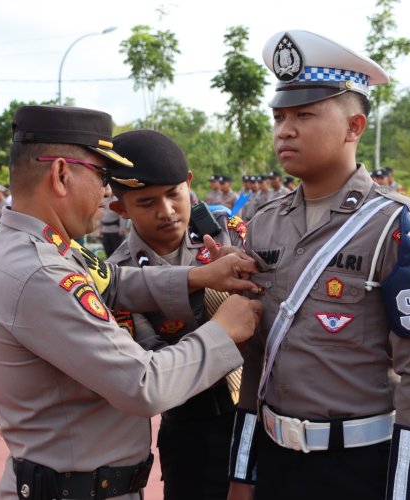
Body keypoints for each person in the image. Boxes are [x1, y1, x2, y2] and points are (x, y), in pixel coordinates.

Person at [0, 105, 263, 500]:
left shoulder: (35, 247)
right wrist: (223, 331)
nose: (107, 190)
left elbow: (114, 283)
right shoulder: (40, 269)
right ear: (61, 174)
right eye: (101, 175)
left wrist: (199, 276)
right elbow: (143, 384)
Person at [228, 30, 410, 500]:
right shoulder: (262, 223)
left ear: (355, 127)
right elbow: (256, 359)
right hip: (274, 460)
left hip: (355, 470)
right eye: (279, 116)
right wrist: (243, 473)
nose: (284, 130)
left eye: (305, 114)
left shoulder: (398, 224)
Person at [105, 129, 247, 500]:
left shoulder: (229, 234)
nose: (166, 212)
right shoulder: (118, 276)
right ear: (121, 209)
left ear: (189, 184)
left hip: (260, 417)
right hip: (194, 428)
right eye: (147, 202)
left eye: (174, 194)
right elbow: (147, 360)